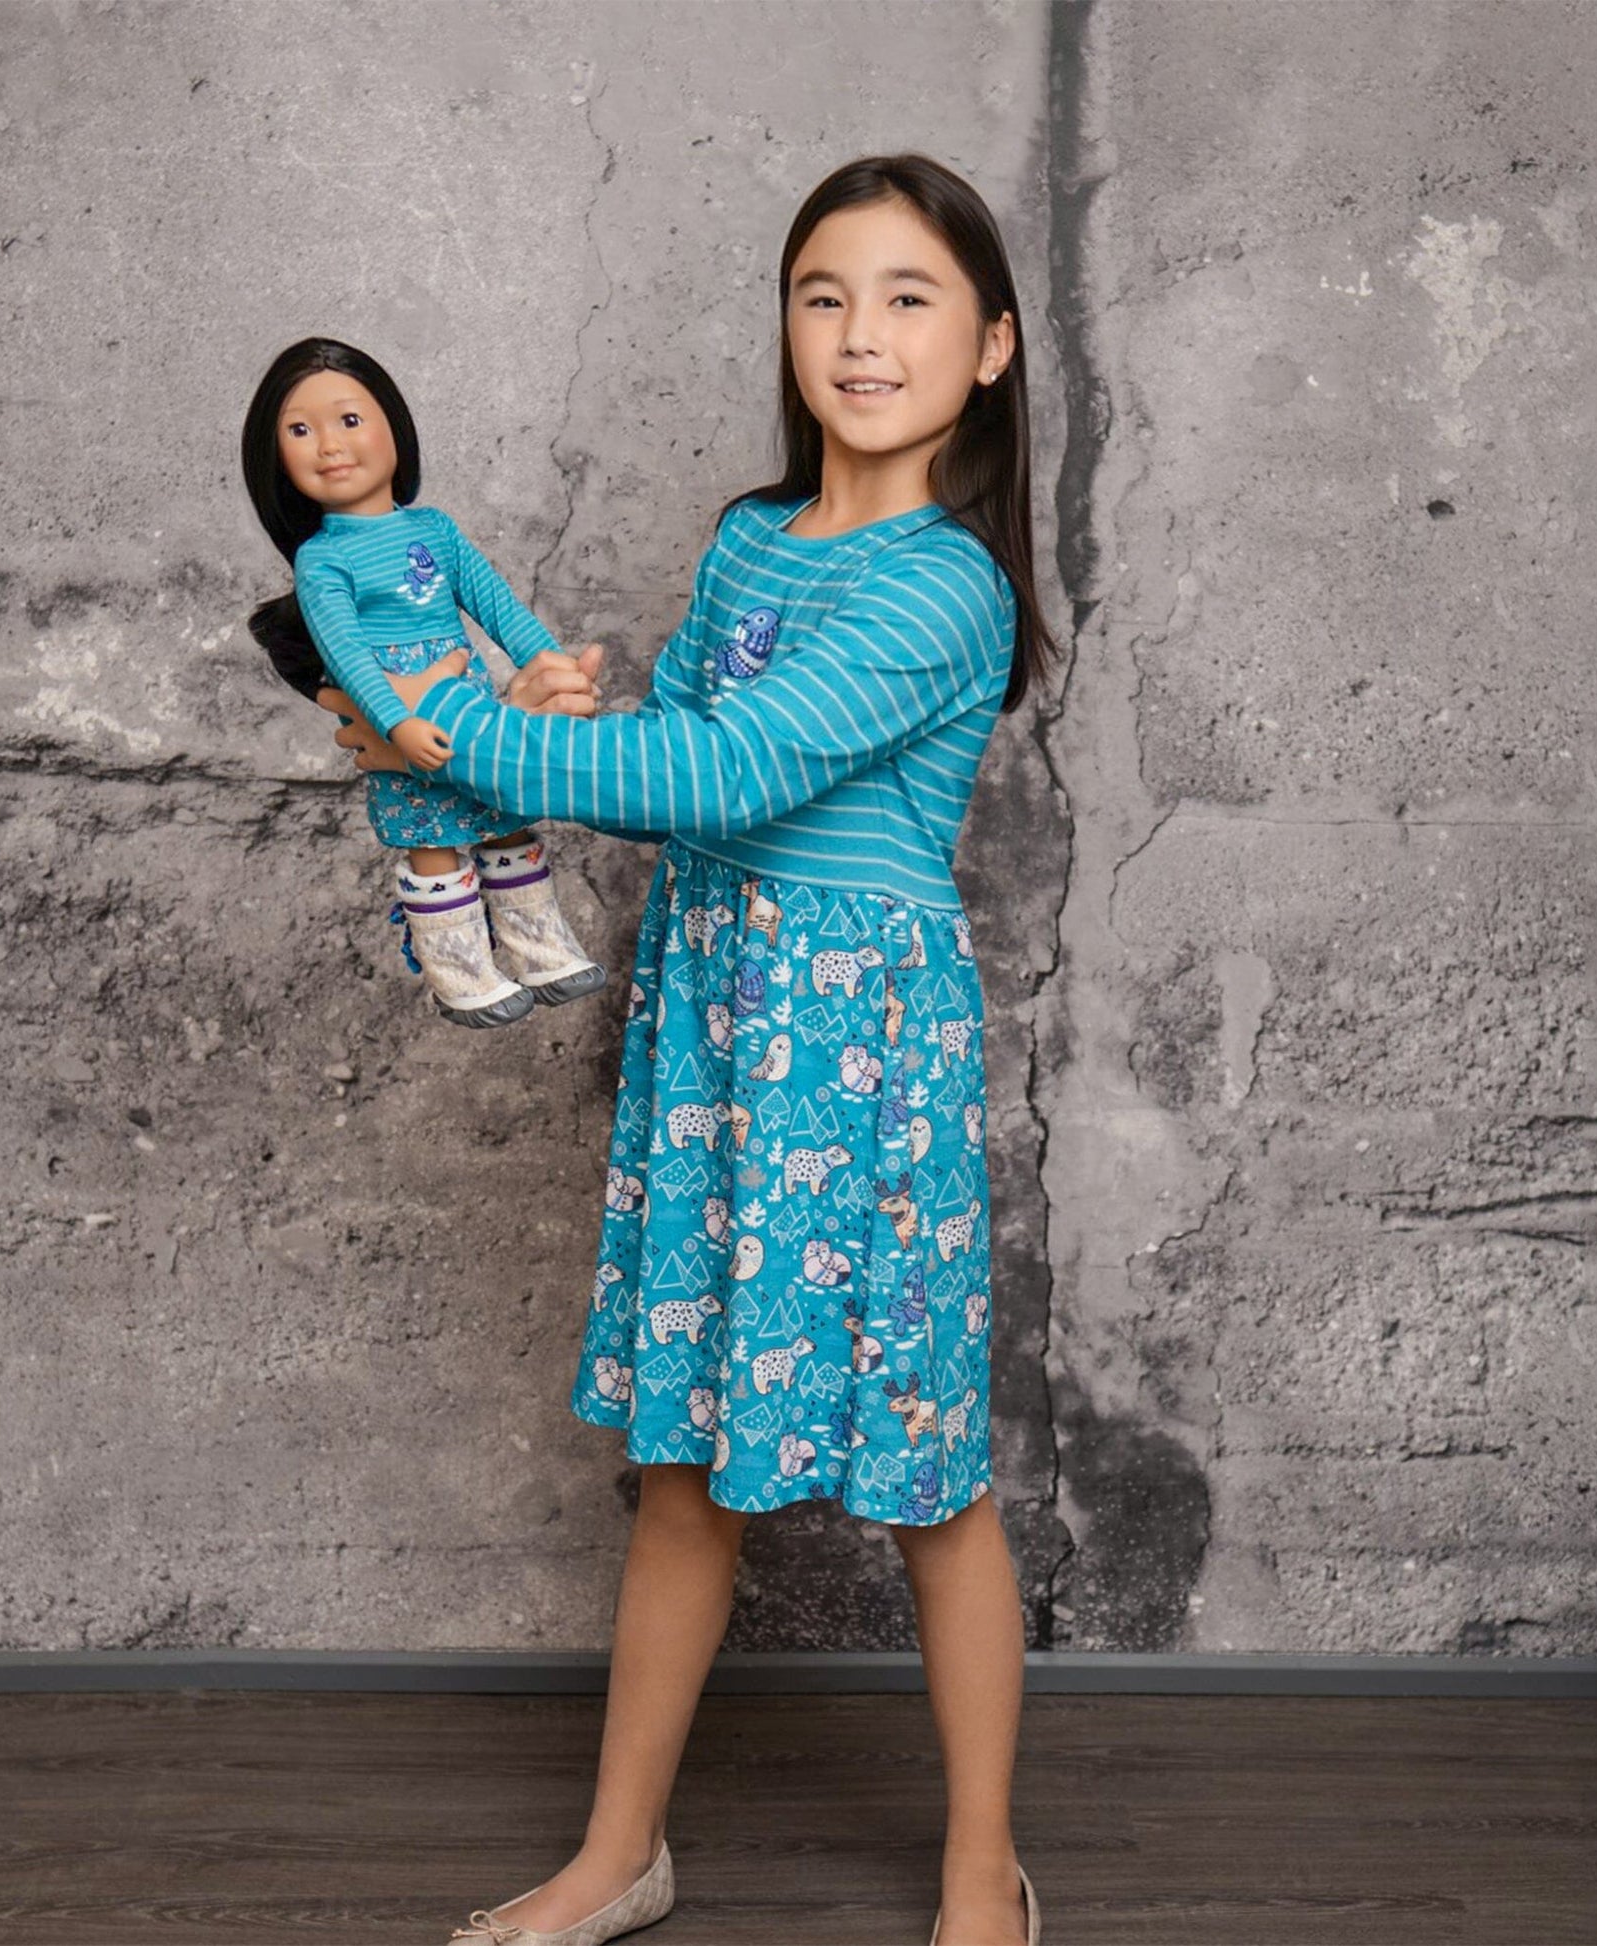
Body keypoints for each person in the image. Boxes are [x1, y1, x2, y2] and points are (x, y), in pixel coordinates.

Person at [322, 154, 1057, 1946]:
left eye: (906, 298)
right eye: (823, 294)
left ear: (987, 350)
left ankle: (983, 1869)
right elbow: (675, 743)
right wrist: (550, 702)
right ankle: (618, 1853)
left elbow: (725, 781)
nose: (860, 334)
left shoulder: (947, 586)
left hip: (856, 1051)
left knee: (926, 1474)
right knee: (676, 1457)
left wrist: (451, 743)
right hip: (721, 1019)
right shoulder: (749, 537)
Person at [240, 337, 606, 1027]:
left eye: (349, 420)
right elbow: (346, 653)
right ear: (277, 457)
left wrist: (550, 664)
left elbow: (497, 607)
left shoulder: (435, 531)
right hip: (403, 719)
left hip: (470, 705)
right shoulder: (322, 561)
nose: (329, 445)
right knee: (433, 834)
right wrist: (395, 721)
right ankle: (461, 973)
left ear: (393, 429)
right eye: (300, 430)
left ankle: (540, 948)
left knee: (505, 821)